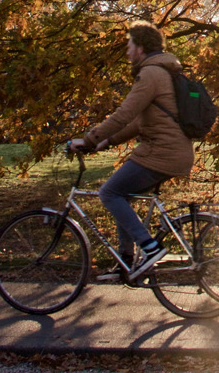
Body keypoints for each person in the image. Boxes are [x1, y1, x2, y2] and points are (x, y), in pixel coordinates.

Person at [70, 21, 194, 280]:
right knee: (121, 195)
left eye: (129, 45)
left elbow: (126, 113)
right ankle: (126, 263)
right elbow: (139, 123)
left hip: (162, 152)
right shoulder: (163, 72)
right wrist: (107, 142)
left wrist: (89, 139)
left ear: (140, 47)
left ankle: (149, 248)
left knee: (109, 192)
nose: (127, 52)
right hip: (172, 151)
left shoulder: (151, 73)